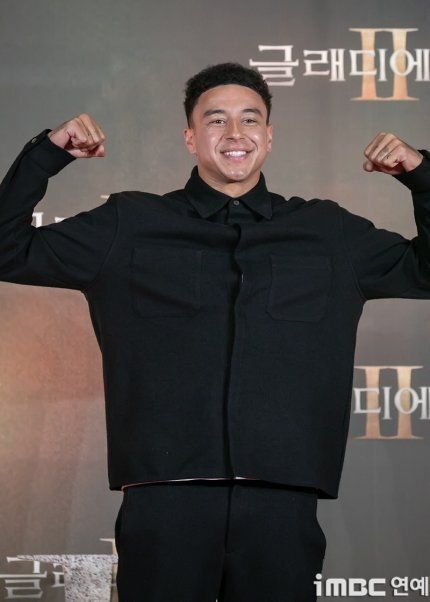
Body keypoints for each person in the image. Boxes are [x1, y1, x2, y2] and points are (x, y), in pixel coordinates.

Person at [0, 61, 429, 601]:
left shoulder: (327, 231)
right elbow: (7, 249)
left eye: (250, 119)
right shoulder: (129, 223)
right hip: (164, 499)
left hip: (282, 502)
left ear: (268, 136)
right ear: (190, 137)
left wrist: (420, 175)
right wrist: (46, 155)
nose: (235, 133)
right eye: (216, 120)